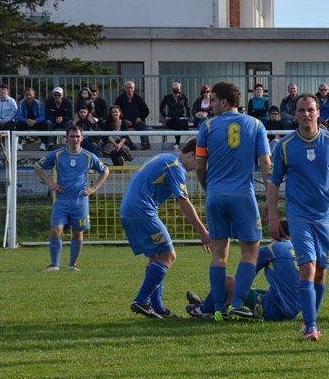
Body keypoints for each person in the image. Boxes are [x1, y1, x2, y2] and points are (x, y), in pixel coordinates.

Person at [266, 93, 329, 341]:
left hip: (326, 218)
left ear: (318, 113)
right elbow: (274, 182)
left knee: (321, 272)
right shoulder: (285, 145)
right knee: (308, 267)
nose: (306, 114)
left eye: (310, 110)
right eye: (301, 110)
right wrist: (273, 216)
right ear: (295, 114)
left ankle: (308, 318)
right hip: (299, 217)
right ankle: (311, 326)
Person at [196, 81, 272, 321]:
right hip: (243, 196)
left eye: (214, 100)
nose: (211, 105)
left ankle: (218, 308)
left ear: (224, 101)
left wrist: (209, 188)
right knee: (250, 251)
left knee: (219, 253)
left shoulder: (207, 126)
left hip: (215, 195)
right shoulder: (256, 125)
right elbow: (266, 163)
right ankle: (237, 303)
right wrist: (271, 196)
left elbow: (199, 165)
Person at [122, 140, 211, 319]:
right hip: (142, 210)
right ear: (192, 155)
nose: (197, 168)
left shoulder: (166, 157)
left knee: (156, 256)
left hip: (129, 209)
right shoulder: (175, 166)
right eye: (199, 162)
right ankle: (142, 300)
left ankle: (158, 308)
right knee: (169, 255)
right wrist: (202, 231)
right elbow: (183, 201)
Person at [34, 126, 110, 272]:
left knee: (78, 232)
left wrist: (93, 188)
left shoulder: (89, 156)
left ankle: (73, 264)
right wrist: (50, 184)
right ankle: (54, 265)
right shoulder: (58, 155)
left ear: (82, 138)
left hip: (80, 202)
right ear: (66, 138)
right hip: (62, 200)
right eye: (72, 136)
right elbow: (37, 166)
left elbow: (105, 171)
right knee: (56, 230)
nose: (75, 139)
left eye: (77, 136)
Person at [186, 239, 302, 322]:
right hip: (292, 311)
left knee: (227, 282)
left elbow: (244, 276)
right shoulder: (299, 250)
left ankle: (202, 310)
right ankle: (205, 304)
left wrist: (235, 294)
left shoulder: (272, 248)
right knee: (253, 289)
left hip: (274, 309)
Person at [114, 81, 151, 149]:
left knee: (143, 126)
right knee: (120, 129)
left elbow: (146, 111)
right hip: (124, 121)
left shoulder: (139, 98)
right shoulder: (119, 99)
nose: (129, 89)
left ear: (134, 88)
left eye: (131, 88)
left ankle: (145, 144)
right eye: (128, 88)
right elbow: (115, 111)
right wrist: (123, 119)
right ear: (125, 88)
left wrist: (140, 118)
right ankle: (131, 146)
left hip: (136, 120)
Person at [159, 82, 191, 148]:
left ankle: (179, 143)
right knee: (176, 121)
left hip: (181, 118)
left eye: (178, 91)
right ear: (172, 90)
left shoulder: (183, 97)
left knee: (179, 121)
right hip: (171, 119)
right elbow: (161, 108)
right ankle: (177, 143)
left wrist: (188, 116)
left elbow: (187, 107)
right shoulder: (167, 97)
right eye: (175, 91)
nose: (177, 94)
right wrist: (165, 116)